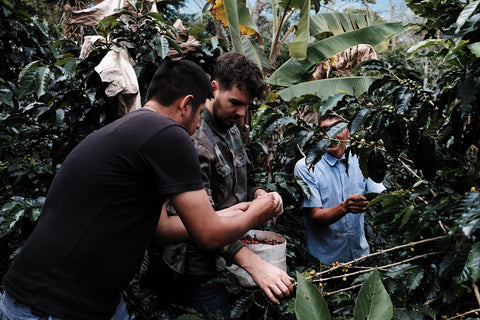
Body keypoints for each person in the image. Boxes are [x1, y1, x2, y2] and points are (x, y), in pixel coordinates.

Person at [0, 59, 283, 320]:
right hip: (52, 305)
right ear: (186, 104)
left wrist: (227, 213)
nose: (198, 126)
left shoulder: (136, 128)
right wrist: (259, 211)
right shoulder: (169, 135)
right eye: (198, 113)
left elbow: (160, 228)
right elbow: (207, 235)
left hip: (79, 299)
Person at [160, 52, 293, 319]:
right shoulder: (194, 140)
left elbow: (245, 178)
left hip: (230, 262)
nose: (242, 112)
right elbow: (203, 224)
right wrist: (252, 263)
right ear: (214, 87)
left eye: (247, 105)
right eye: (235, 102)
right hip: (198, 269)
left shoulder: (231, 127)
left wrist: (260, 195)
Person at [293, 113, 385, 266]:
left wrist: (400, 201)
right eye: (325, 129)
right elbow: (315, 216)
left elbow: (379, 199)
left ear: (349, 132)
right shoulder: (306, 167)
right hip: (325, 264)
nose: (331, 134)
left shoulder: (361, 157)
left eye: (338, 128)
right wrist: (345, 207)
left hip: (360, 257)